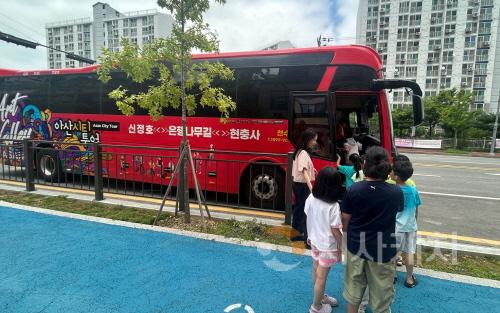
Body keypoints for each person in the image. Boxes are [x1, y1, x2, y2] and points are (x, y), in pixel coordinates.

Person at [341, 146, 404, 313]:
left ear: (364, 166)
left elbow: (345, 222)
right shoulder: (396, 192)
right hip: (384, 250)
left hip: (356, 247)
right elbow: (397, 212)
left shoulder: (353, 189)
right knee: (382, 298)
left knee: (354, 292)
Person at [305, 167, 343, 313]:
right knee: (322, 277)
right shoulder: (333, 206)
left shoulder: (311, 198)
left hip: (314, 241)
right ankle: (316, 307)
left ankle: (321, 298)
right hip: (327, 246)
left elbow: (307, 215)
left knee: (316, 270)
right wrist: (343, 245)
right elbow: (335, 230)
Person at [390, 159, 422, 288]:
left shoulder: (392, 190)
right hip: (411, 226)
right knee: (409, 252)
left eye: (392, 171)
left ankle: (393, 276)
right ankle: (409, 278)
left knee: (393, 253)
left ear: (396, 176)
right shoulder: (413, 190)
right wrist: (414, 223)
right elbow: (416, 209)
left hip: (396, 227)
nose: (390, 172)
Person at [291, 128, 317, 243]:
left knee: (300, 209)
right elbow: (304, 171)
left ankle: (298, 233)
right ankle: (297, 234)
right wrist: (311, 187)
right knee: (301, 209)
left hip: (299, 184)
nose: (315, 142)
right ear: (308, 140)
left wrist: (313, 169)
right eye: (314, 140)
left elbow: (305, 168)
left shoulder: (301, 152)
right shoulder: (303, 153)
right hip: (302, 185)